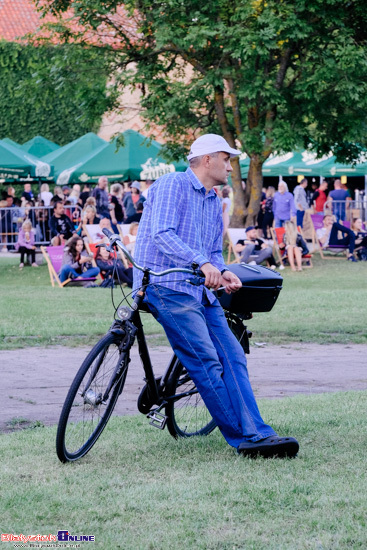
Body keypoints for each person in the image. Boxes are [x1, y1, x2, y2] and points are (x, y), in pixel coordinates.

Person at [133, 133, 299, 458]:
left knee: (233, 356)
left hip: (200, 291)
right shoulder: (172, 185)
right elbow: (161, 234)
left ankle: (258, 432)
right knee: (207, 361)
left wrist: (221, 271)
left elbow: (212, 250)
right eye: (226, 158)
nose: (229, 164)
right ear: (208, 159)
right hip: (165, 285)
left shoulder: (214, 200)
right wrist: (203, 263)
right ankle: (242, 440)